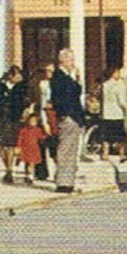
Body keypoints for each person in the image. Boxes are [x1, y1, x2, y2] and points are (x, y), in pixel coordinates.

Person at [49, 48, 86, 193]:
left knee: (72, 150)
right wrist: (66, 114)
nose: (73, 63)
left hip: (74, 116)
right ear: (62, 61)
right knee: (65, 149)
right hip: (68, 116)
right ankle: (63, 182)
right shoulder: (59, 77)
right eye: (70, 60)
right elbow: (64, 96)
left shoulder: (67, 77)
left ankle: (68, 181)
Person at [0, 65, 24, 184]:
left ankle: (9, 170)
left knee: (11, 144)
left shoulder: (21, 86)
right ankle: (7, 166)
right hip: (0, 116)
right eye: (17, 76)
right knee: (0, 145)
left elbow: (24, 101)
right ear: (10, 76)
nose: (19, 78)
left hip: (14, 117)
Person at [99, 65, 127, 160]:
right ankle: (122, 154)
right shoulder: (119, 85)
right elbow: (122, 101)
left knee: (106, 136)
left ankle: (105, 154)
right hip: (117, 113)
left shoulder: (104, 85)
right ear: (113, 73)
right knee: (120, 136)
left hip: (106, 113)